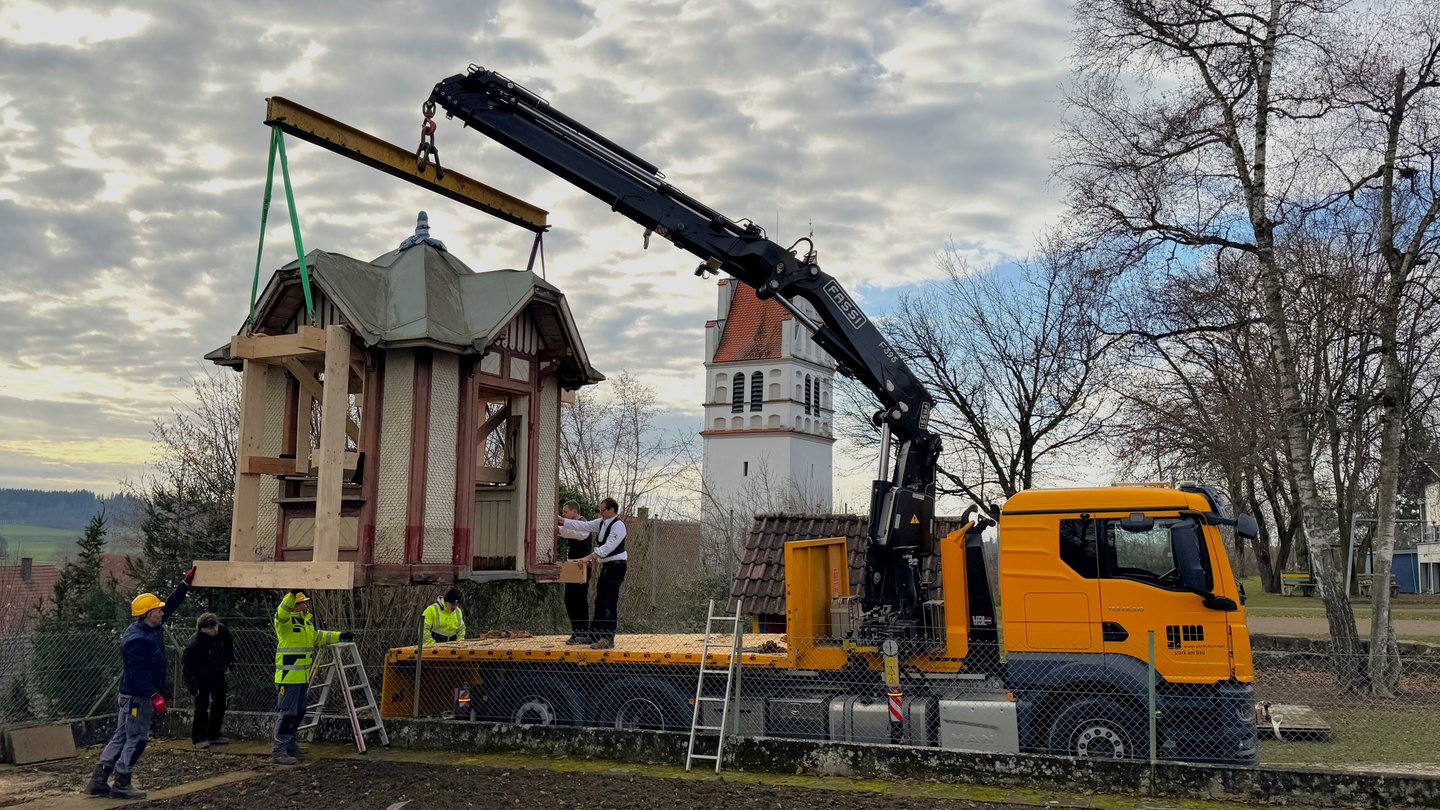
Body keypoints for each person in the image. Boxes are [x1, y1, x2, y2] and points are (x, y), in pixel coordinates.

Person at [85, 568, 194, 800]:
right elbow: (136, 673)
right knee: (138, 738)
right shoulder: (137, 640)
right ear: (148, 614)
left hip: (132, 695)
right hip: (138, 696)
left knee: (121, 736)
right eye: (158, 609)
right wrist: (154, 694)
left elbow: (170, 607)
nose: (162, 612)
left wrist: (184, 585)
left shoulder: (149, 628)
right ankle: (122, 782)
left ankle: (99, 781)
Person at [272, 590, 353, 765]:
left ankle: (290, 746)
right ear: (296, 605)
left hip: (301, 677)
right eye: (304, 602)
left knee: (299, 712)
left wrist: (340, 635)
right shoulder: (284, 622)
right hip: (288, 678)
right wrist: (292, 593)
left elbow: (319, 636)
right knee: (287, 714)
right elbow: (282, 611)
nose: (307, 605)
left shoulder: (305, 624)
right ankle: (279, 750)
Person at [558, 497, 626, 650]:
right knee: (600, 600)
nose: (600, 513)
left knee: (609, 601)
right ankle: (595, 634)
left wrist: (588, 557)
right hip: (607, 565)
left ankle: (608, 637)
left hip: (616, 565)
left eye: (603, 510)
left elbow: (607, 547)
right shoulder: (602, 522)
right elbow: (584, 525)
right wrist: (562, 520)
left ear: (611, 510)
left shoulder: (618, 526)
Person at [181, 612, 234, 750]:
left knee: (220, 702)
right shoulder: (195, 643)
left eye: (215, 627)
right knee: (202, 706)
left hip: (217, 670)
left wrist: (228, 662)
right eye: (211, 629)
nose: (214, 630)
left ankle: (214, 734)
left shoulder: (222, 631)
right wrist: (192, 687)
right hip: (200, 675)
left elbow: (229, 646)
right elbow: (187, 667)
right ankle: (198, 738)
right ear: (204, 629)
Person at [557, 500, 595, 645]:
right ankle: (577, 631)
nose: (563, 515)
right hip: (573, 567)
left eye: (565, 512)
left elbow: (574, 534)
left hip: (581, 568)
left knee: (578, 600)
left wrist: (560, 529)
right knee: (570, 599)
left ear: (574, 511)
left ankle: (582, 632)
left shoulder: (583, 525)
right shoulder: (576, 525)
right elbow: (569, 532)